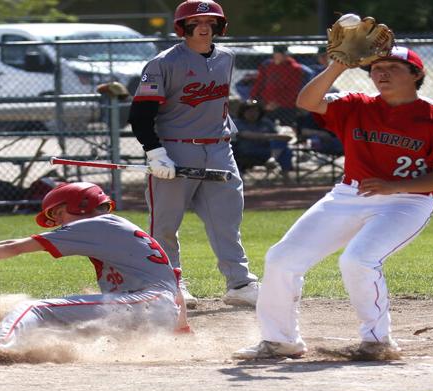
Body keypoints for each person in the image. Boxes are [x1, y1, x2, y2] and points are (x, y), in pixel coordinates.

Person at [233, 47, 433, 361]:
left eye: (393, 68)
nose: (381, 73)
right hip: (348, 195)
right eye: (377, 68)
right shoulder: (357, 104)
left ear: (417, 75)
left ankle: (378, 341)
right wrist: (337, 67)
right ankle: (280, 341)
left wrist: (394, 186)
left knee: (358, 259)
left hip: (406, 201)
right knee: (281, 259)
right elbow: (307, 102)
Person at [0, 182, 191, 355]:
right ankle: (14, 346)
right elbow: (173, 282)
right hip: (151, 312)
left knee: (36, 309)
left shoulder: (96, 224)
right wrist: (180, 331)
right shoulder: (117, 228)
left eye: (59, 213)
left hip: (145, 304)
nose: (58, 223)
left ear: (82, 205)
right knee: (56, 329)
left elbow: (13, 245)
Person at [128, 0, 260, 310]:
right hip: (175, 147)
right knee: (164, 224)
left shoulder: (226, 57)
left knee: (226, 221)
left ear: (219, 27)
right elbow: (140, 113)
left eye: (210, 21)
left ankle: (239, 283)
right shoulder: (162, 63)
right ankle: (168, 284)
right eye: (195, 22)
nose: (203, 27)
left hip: (218, 148)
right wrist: (154, 151)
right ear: (182, 28)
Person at [232, 99, 294, 178]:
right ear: (242, 112)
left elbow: (282, 136)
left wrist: (279, 136)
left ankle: (284, 174)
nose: (252, 113)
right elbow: (246, 135)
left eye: (255, 111)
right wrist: (271, 136)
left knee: (286, 150)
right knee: (278, 140)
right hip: (246, 152)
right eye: (249, 111)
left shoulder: (266, 122)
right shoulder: (237, 122)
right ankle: (273, 159)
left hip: (266, 151)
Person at [250, 45, 307, 126]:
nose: (281, 56)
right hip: (267, 104)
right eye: (279, 54)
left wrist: (278, 103)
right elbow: (258, 84)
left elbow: (293, 90)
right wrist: (253, 98)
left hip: (286, 106)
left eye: (284, 54)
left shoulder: (294, 68)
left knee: (287, 127)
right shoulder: (267, 66)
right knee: (266, 126)